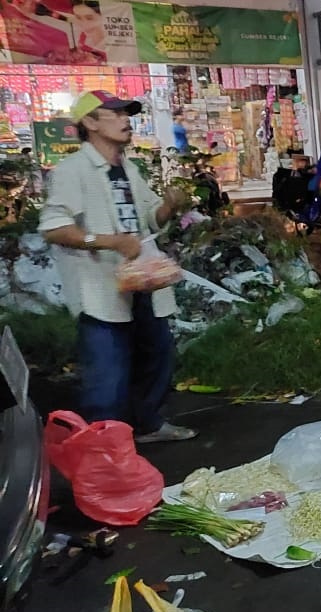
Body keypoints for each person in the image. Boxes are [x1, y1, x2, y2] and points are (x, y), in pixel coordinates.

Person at [38, 90, 195, 443]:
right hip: (101, 290)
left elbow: (149, 219)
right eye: (115, 114)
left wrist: (169, 206)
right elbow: (53, 227)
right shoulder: (72, 171)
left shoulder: (128, 168)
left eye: (127, 113)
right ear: (90, 123)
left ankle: (147, 425)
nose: (126, 119)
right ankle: (104, 447)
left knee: (157, 354)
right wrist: (108, 241)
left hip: (141, 282)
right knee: (107, 372)